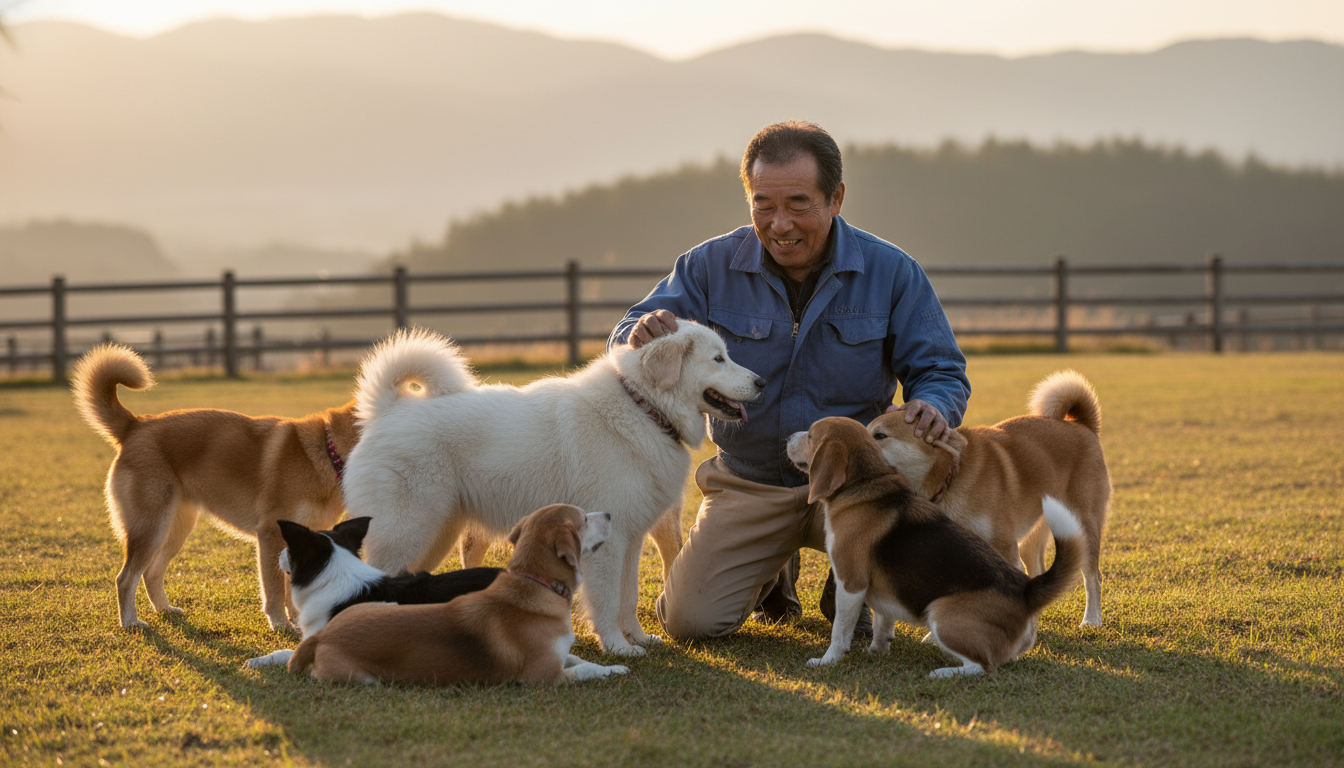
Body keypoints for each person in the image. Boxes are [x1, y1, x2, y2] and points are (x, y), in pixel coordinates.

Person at [608, 120, 970, 641]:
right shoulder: (708, 266)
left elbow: (940, 368)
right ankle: (774, 566)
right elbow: (627, 337)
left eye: (799, 203)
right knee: (690, 622)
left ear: (836, 198)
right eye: (763, 205)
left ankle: (854, 576)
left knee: (896, 606)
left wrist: (935, 403)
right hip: (750, 479)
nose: (780, 224)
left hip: (862, 484)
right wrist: (640, 333)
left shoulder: (893, 271)